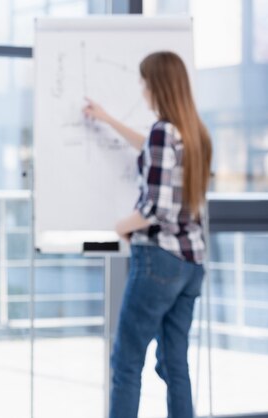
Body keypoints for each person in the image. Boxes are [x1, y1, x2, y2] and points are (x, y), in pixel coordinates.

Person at [83, 51, 212, 418]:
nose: (142, 89)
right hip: (192, 264)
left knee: (126, 361)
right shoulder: (194, 134)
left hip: (159, 261)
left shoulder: (163, 133)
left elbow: (156, 208)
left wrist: (121, 226)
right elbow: (151, 151)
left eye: (144, 82)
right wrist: (107, 118)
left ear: (157, 85)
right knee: (176, 364)